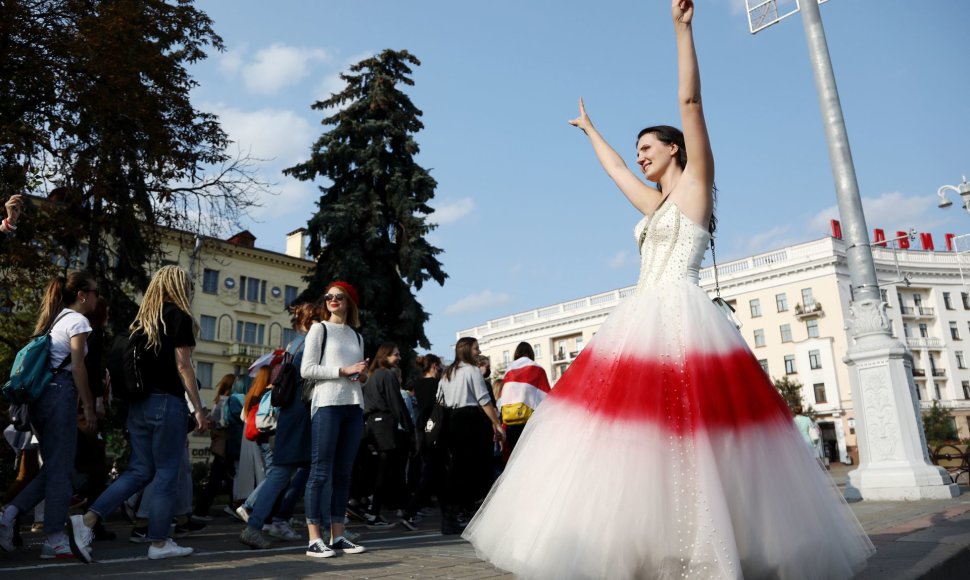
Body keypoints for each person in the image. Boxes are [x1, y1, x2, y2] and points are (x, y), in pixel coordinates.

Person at [462, 2, 874, 579]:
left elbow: (690, 103)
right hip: (641, 315)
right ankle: (654, 547)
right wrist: (591, 132)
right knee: (641, 440)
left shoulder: (697, 187)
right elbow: (615, 174)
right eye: (637, 151)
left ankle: (715, 546)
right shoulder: (655, 205)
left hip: (681, 315)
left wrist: (683, 30)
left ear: (675, 149)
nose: (640, 156)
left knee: (695, 435)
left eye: (647, 147)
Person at [68, 265, 208, 562]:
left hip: (139, 406)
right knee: (168, 472)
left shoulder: (140, 323)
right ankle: (159, 542)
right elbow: (184, 366)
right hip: (167, 403)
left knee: (140, 471)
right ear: (177, 288)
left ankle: (88, 520)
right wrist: (198, 408)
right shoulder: (178, 317)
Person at [0, 272, 99, 559]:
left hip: (41, 399)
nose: (96, 297)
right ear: (82, 294)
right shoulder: (78, 321)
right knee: (60, 470)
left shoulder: (57, 319)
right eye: (94, 291)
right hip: (60, 395)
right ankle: (54, 538)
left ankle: (9, 515)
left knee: (54, 467)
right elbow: (78, 367)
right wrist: (89, 406)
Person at [238, 303, 317, 549]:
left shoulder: (293, 344)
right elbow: (310, 376)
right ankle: (260, 525)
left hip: (290, 414)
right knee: (290, 472)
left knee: (285, 473)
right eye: (316, 319)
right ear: (308, 321)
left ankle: (263, 524)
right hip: (300, 414)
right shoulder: (308, 343)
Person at [301, 281, 369, 558]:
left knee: (343, 473)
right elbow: (307, 369)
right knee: (320, 472)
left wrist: (361, 376)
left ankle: (338, 535)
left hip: (353, 406)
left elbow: (357, 375)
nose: (332, 300)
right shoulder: (320, 328)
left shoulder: (357, 335)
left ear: (350, 301)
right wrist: (343, 370)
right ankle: (314, 538)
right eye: (328, 296)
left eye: (338, 297)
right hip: (327, 404)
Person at [437, 337, 505, 535]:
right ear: (467, 350)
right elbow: (484, 399)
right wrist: (496, 424)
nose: (479, 351)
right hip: (472, 420)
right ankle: (476, 513)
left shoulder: (448, 373)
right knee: (478, 467)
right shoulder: (472, 370)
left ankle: (452, 515)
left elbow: (439, 399)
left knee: (459, 468)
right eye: (476, 348)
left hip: (452, 420)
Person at [361, 343, 414, 529]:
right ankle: (375, 513)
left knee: (383, 470)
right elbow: (396, 403)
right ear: (385, 356)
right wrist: (409, 428)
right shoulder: (388, 375)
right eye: (395, 355)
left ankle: (375, 510)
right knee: (387, 471)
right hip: (385, 425)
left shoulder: (373, 377)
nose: (398, 357)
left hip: (373, 425)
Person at [193, 374, 237, 519]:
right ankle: (202, 510)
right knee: (221, 479)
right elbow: (222, 423)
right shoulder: (228, 401)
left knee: (226, 478)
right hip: (225, 445)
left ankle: (233, 507)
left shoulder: (221, 400)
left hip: (221, 445)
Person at [497, 342, 551, 453]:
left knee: (514, 456)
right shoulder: (537, 368)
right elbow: (546, 395)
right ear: (530, 353)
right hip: (530, 421)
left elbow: (502, 397)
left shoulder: (509, 370)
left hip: (511, 421)